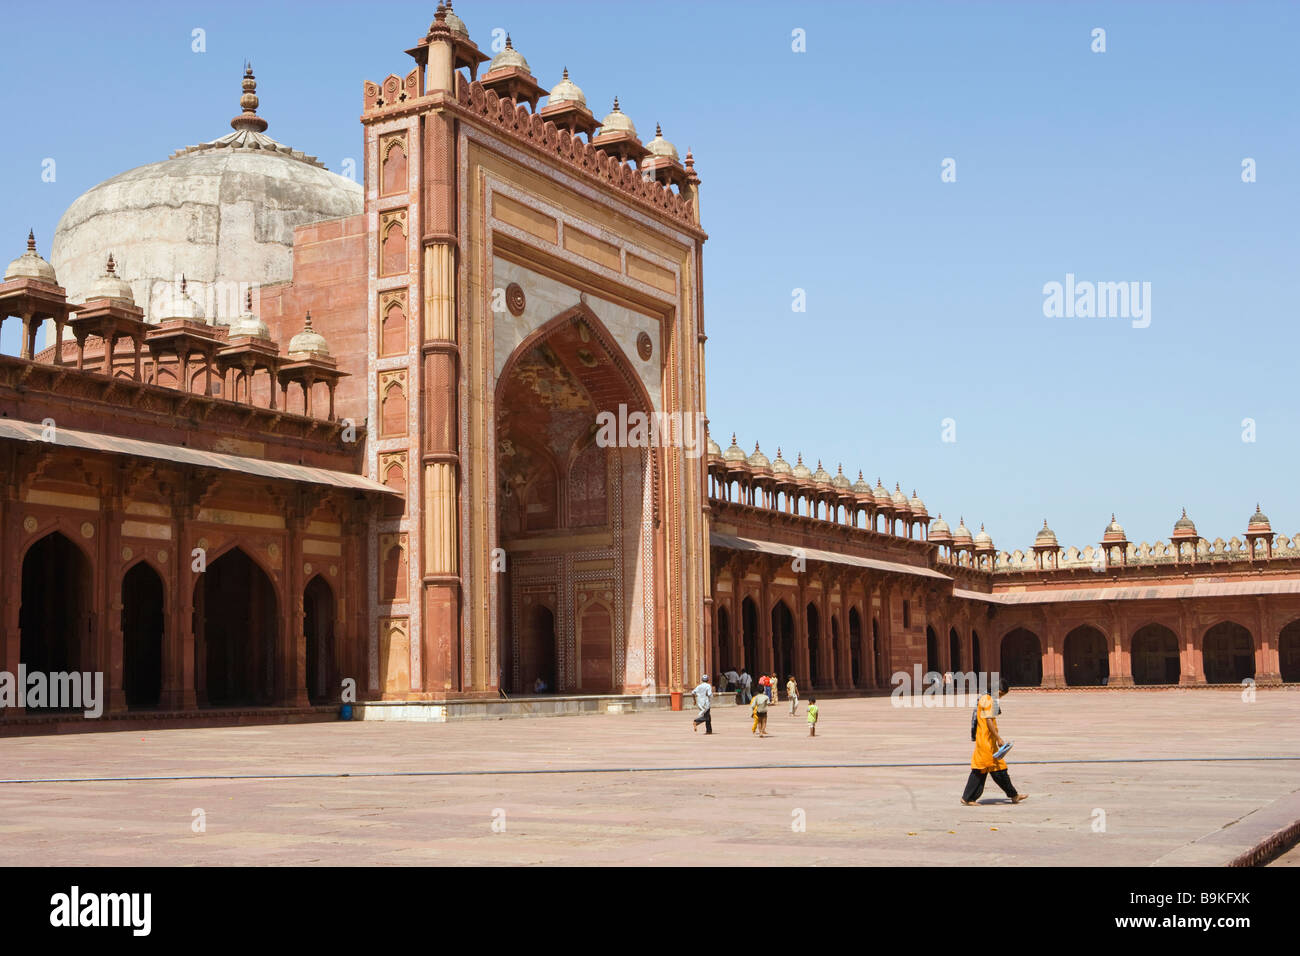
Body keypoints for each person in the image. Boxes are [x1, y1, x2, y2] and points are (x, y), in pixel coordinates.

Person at [961, 679, 1028, 805]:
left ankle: (1014, 795)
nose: (1001, 697)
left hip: (986, 741)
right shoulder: (988, 700)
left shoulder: (985, 698)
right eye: (1001, 694)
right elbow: (989, 721)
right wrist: (998, 738)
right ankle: (968, 798)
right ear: (997, 690)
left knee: (998, 769)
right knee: (982, 770)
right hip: (986, 742)